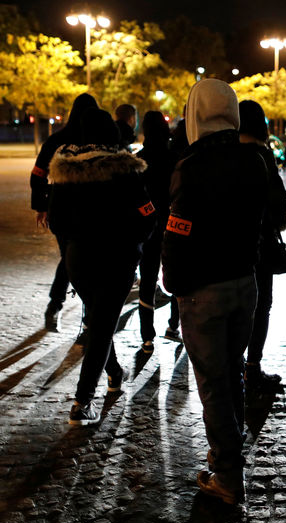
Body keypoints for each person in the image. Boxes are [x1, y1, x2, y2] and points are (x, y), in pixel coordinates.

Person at [161, 79, 269, 504]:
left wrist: (172, 280)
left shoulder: (191, 167)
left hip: (203, 289)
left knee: (213, 382)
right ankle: (229, 451)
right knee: (232, 371)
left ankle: (227, 472)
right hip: (245, 283)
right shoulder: (256, 161)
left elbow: (178, 231)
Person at [48, 108, 155, 425]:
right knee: (101, 324)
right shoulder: (124, 168)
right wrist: (136, 243)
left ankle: (114, 372)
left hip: (78, 258)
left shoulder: (65, 170)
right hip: (116, 257)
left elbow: (55, 220)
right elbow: (147, 215)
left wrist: (69, 247)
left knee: (99, 320)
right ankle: (82, 402)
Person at [30, 93, 98, 333]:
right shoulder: (99, 142)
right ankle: (89, 318)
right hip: (92, 213)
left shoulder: (57, 141)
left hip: (61, 210)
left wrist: (41, 205)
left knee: (71, 258)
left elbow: (37, 174)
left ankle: (57, 304)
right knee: (84, 262)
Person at [238, 99, 286, 399]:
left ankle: (235, 366)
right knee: (260, 305)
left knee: (236, 308)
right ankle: (252, 368)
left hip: (229, 245)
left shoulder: (225, 152)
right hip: (260, 246)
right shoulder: (262, 155)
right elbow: (278, 202)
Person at [136, 111, 181, 355]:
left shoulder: (139, 160)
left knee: (147, 280)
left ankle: (147, 337)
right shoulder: (176, 159)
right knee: (175, 277)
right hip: (173, 226)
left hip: (147, 228)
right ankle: (174, 325)